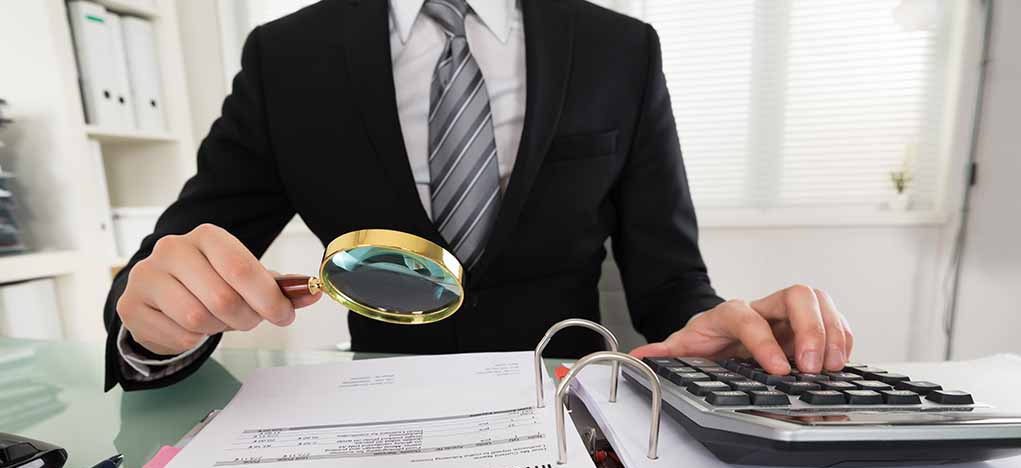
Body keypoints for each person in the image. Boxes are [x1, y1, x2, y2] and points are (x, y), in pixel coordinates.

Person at [103, 0, 853, 392]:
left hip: (571, 414)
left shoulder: (619, 49)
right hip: (378, 417)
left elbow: (670, 283)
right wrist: (158, 326)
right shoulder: (284, 57)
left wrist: (723, 334)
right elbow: (160, 273)